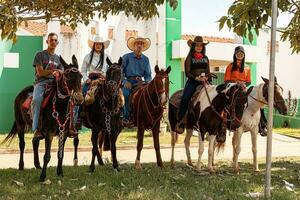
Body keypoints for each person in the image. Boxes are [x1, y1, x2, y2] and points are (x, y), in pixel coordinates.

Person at [224, 46, 267, 136]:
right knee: (224, 100)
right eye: (238, 53)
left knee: (257, 101)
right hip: (231, 86)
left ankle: (262, 125)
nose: (240, 55)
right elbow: (226, 80)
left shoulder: (247, 67)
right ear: (235, 55)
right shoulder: (230, 66)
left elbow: (249, 81)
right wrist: (237, 83)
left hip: (243, 87)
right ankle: (223, 123)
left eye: (241, 54)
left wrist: (243, 85)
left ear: (244, 55)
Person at [175, 36, 211, 134]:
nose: (199, 47)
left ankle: (219, 123)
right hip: (192, 81)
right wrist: (196, 78)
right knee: (185, 98)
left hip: (205, 82)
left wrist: (207, 77)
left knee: (215, 96)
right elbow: (187, 73)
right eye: (197, 45)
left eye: (201, 45)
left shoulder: (206, 58)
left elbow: (208, 71)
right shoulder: (189, 58)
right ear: (193, 46)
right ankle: (181, 121)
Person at [31, 32, 63, 139]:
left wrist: (58, 72)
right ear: (47, 41)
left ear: (57, 42)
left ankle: (65, 127)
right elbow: (40, 72)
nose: (53, 42)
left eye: (55, 40)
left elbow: (62, 72)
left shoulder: (59, 58)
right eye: (51, 40)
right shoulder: (39, 55)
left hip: (54, 83)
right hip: (41, 83)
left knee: (67, 99)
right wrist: (53, 71)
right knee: (36, 100)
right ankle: (36, 129)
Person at [121, 36, 152, 127]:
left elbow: (148, 75)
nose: (139, 46)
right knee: (125, 94)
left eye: (141, 44)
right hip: (128, 81)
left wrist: (147, 82)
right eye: (137, 44)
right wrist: (124, 81)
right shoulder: (126, 57)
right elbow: (121, 70)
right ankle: (126, 118)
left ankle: (147, 118)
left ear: (143, 47)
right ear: (134, 46)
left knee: (148, 96)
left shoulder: (146, 59)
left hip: (140, 82)